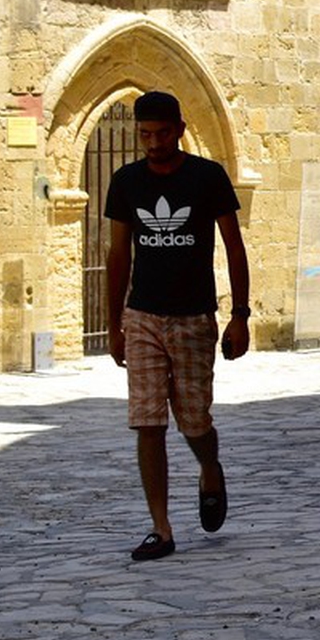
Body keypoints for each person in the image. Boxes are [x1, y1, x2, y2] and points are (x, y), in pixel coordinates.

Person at [105, 91, 251, 561]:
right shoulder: (126, 182)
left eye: (162, 133)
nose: (154, 142)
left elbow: (233, 246)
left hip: (193, 316)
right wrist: (114, 324)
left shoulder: (206, 177)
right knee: (148, 423)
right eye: (145, 134)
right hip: (143, 315)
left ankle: (210, 468)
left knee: (194, 421)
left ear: (180, 129)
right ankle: (161, 529)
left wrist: (240, 315)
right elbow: (118, 254)